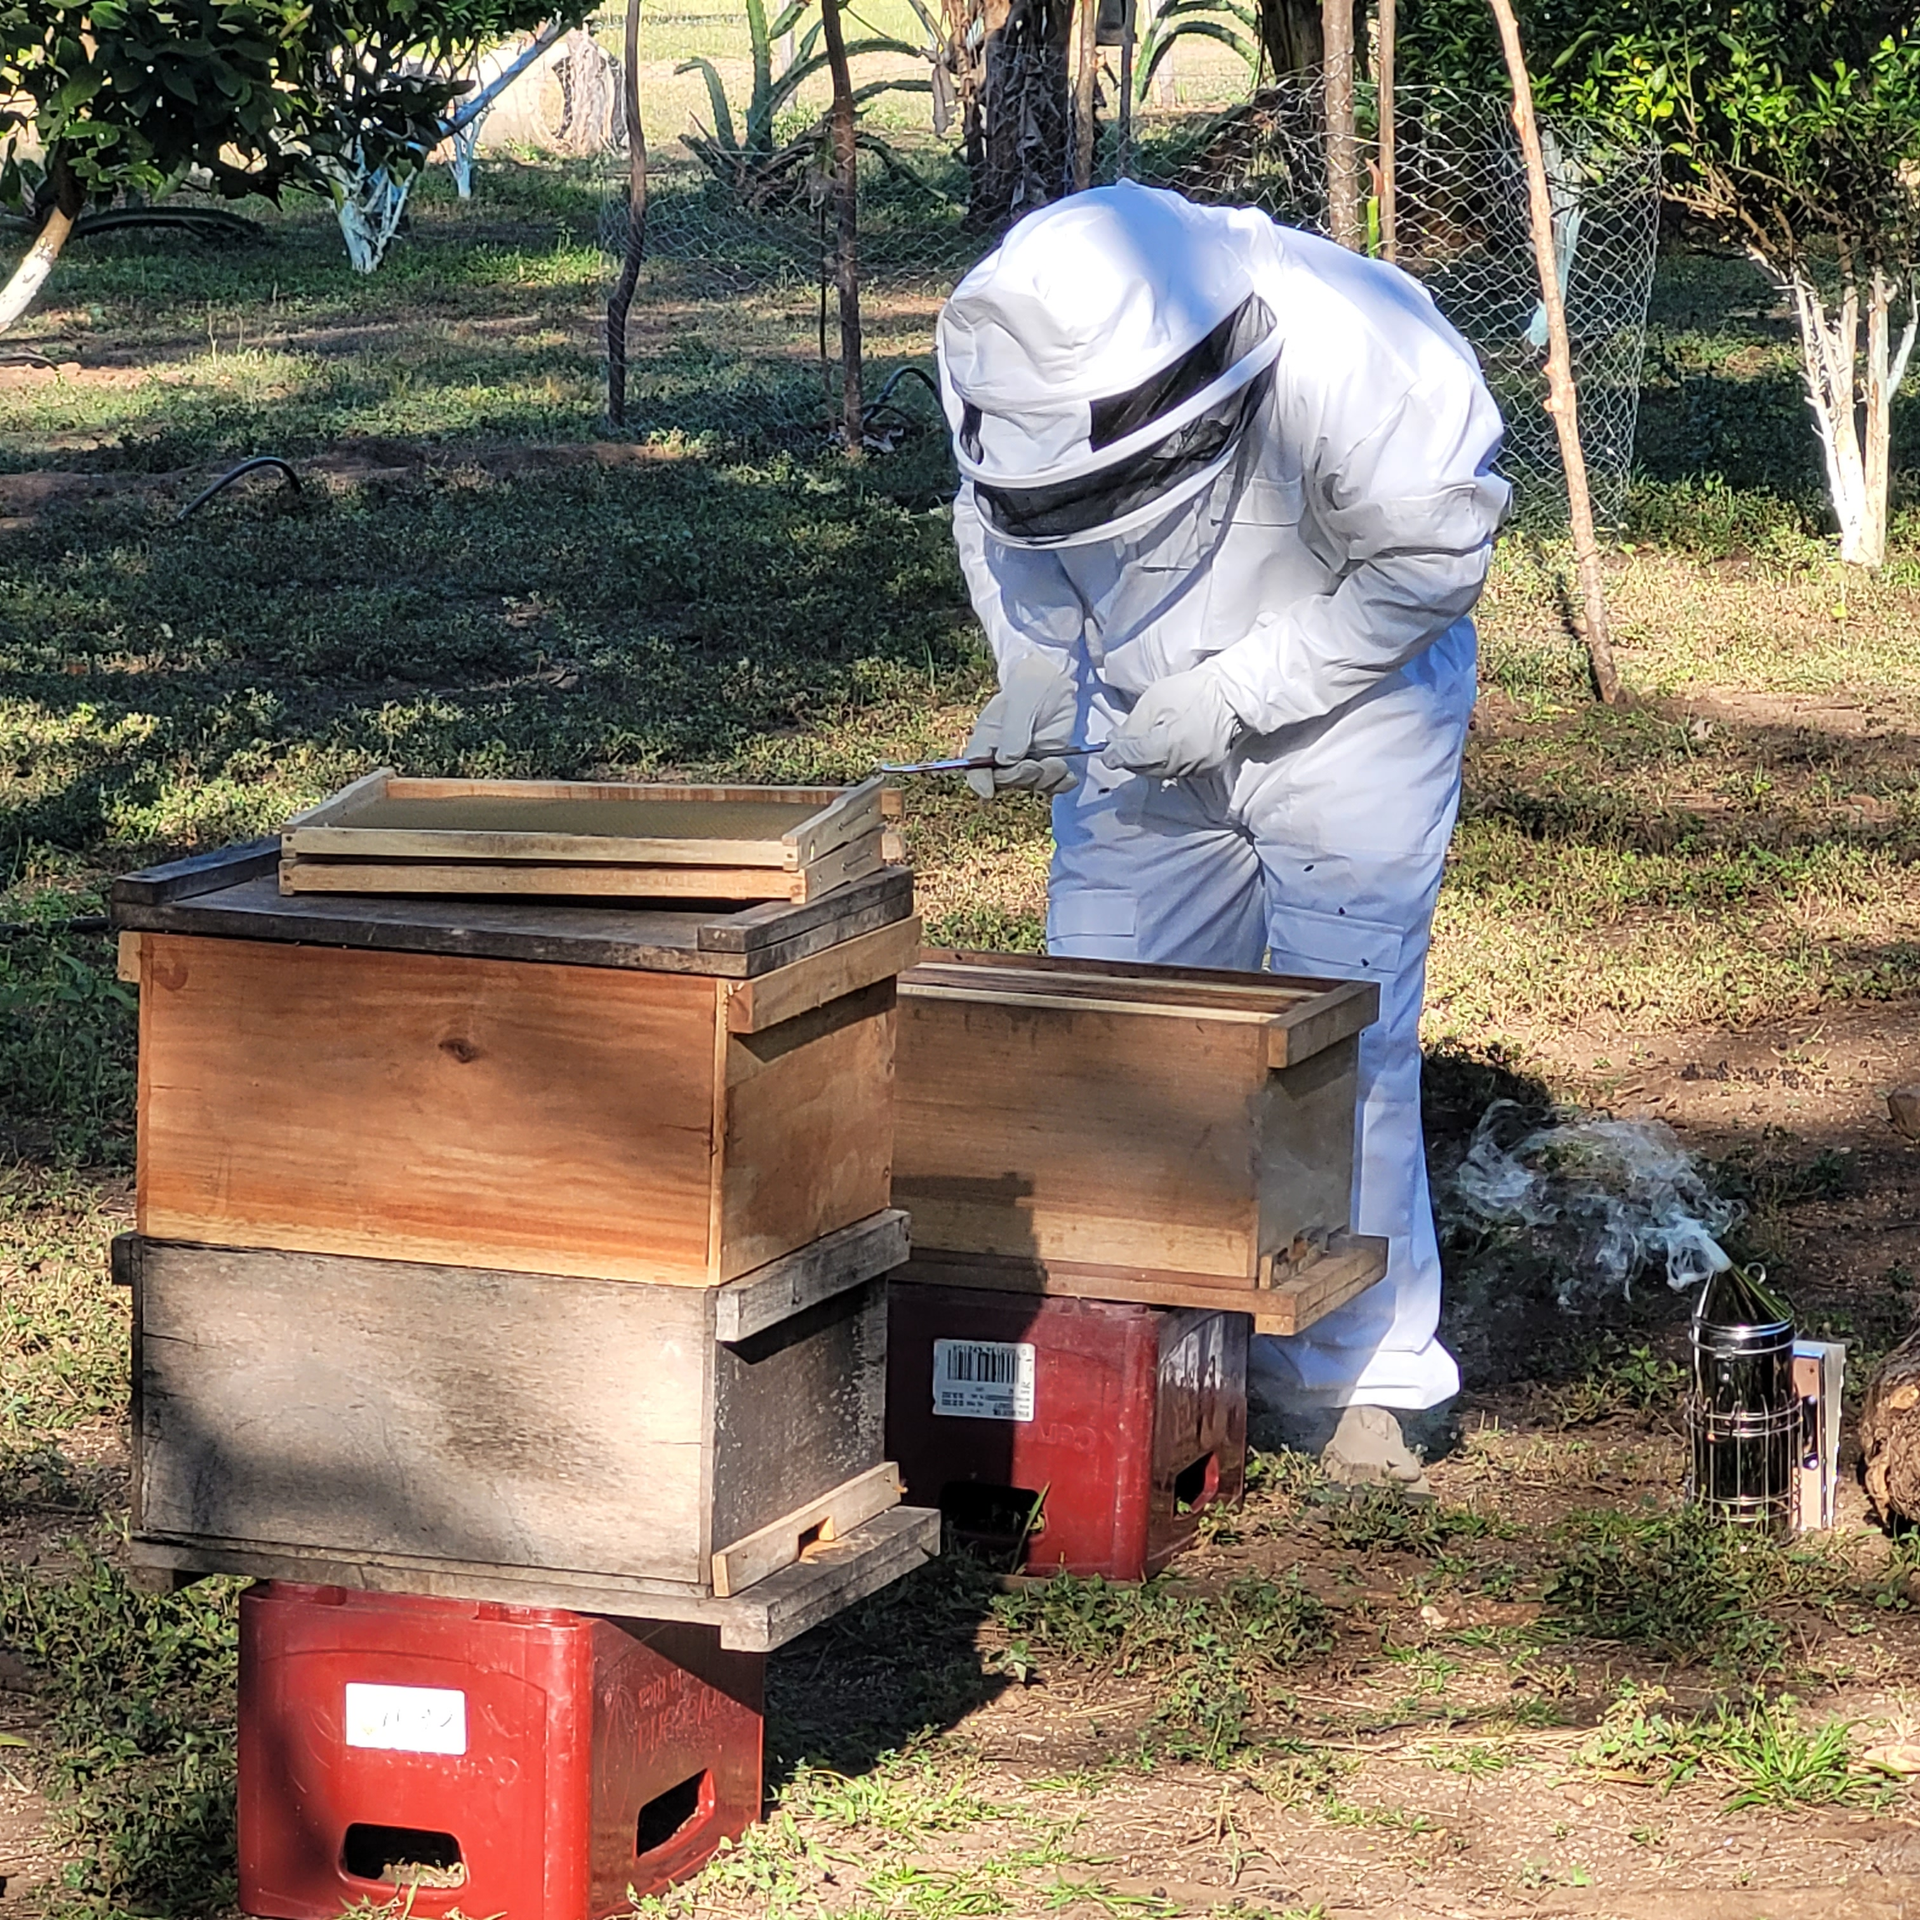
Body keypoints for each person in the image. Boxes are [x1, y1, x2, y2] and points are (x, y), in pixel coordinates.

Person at [936, 181, 1508, 1494]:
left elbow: (1428, 566)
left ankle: (1362, 1379)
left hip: (1347, 713)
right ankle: (1142, 1351)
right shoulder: (1002, 337)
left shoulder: (1366, 347)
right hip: (1130, 710)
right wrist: (1032, 672)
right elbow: (999, 519)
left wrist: (1240, 696)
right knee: (1109, 1012)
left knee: (1334, 1040)